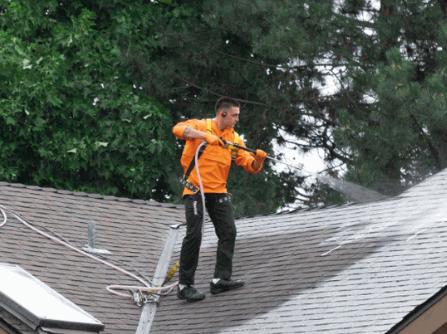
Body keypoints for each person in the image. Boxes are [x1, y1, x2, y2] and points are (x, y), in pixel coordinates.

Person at [172, 97, 267, 302]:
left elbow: (250, 166)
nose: (237, 119)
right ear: (222, 114)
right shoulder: (201, 125)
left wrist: (258, 160)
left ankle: (220, 280)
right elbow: (178, 129)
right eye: (234, 115)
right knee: (194, 233)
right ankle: (184, 285)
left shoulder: (234, 139)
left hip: (219, 192)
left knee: (229, 232)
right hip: (195, 190)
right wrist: (205, 136)